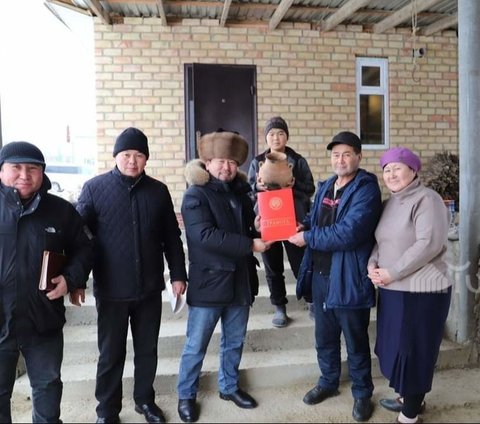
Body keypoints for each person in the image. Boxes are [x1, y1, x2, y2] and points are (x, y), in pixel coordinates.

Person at [76, 127, 187, 424]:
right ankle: (107, 411)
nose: (132, 161)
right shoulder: (94, 189)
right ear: (116, 156)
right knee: (110, 355)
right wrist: (76, 278)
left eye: (139, 155)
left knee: (147, 351)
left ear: (146, 159)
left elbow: (172, 238)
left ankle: (145, 401)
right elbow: (79, 236)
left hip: (149, 289)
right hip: (111, 290)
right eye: (127, 154)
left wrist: (178, 274)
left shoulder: (158, 191)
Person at [176, 130, 271, 423]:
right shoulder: (195, 194)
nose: (226, 167)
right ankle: (186, 395)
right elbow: (204, 235)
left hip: (240, 282)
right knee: (196, 345)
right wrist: (249, 244)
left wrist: (256, 226)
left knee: (234, 341)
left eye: (231, 161)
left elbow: (245, 231)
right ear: (207, 162)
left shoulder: (241, 194)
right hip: (209, 283)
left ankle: (229, 387)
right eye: (220, 161)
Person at [289, 131, 382, 422]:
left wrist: (308, 237)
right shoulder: (327, 185)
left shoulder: (366, 188)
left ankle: (362, 393)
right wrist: (291, 225)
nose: (340, 159)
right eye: (335, 154)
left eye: (346, 154)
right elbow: (312, 220)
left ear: (358, 156)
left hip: (349, 276)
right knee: (325, 338)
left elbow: (350, 233)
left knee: (355, 341)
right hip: (320, 275)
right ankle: (328, 382)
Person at [0, 141, 93, 423]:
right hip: (1, 318)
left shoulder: (61, 211)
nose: (24, 175)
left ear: (42, 172)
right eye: (16, 167)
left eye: (33, 168)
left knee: (48, 386)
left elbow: (86, 248)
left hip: (43, 317)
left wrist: (70, 279)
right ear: (2, 171)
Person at [367, 147, 452, 424]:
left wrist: (392, 272)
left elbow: (428, 244)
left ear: (413, 171)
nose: (391, 174)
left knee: (414, 351)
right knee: (394, 347)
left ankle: (410, 416)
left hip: (422, 291)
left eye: (397, 168)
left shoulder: (428, 199)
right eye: (386, 169)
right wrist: (373, 264)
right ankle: (409, 397)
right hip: (393, 289)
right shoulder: (389, 202)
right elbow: (381, 241)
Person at [248, 116, 315, 327]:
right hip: (268, 221)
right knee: (272, 266)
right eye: (271, 134)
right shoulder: (257, 161)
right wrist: (258, 188)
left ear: (286, 136)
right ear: (266, 138)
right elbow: (248, 192)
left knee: (301, 263)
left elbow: (310, 188)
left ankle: (312, 300)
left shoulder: (298, 160)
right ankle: (279, 306)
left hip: (293, 220)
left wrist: (293, 186)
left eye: (280, 133)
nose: (276, 137)